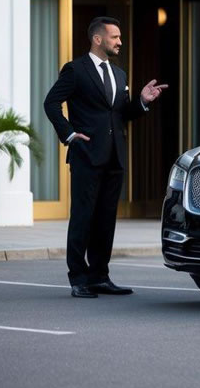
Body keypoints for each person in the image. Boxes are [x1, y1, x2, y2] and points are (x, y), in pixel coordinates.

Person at [44, 17, 168, 298]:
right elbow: (51, 103)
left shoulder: (120, 74)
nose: (120, 42)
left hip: (115, 157)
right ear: (97, 39)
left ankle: (100, 275)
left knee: (105, 219)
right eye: (115, 37)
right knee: (83, 218)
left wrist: (142, 102)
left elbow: (120, 114)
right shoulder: (75, 70)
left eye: (120, 37)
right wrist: (70, 135)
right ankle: (78, 278)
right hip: (86, 155)